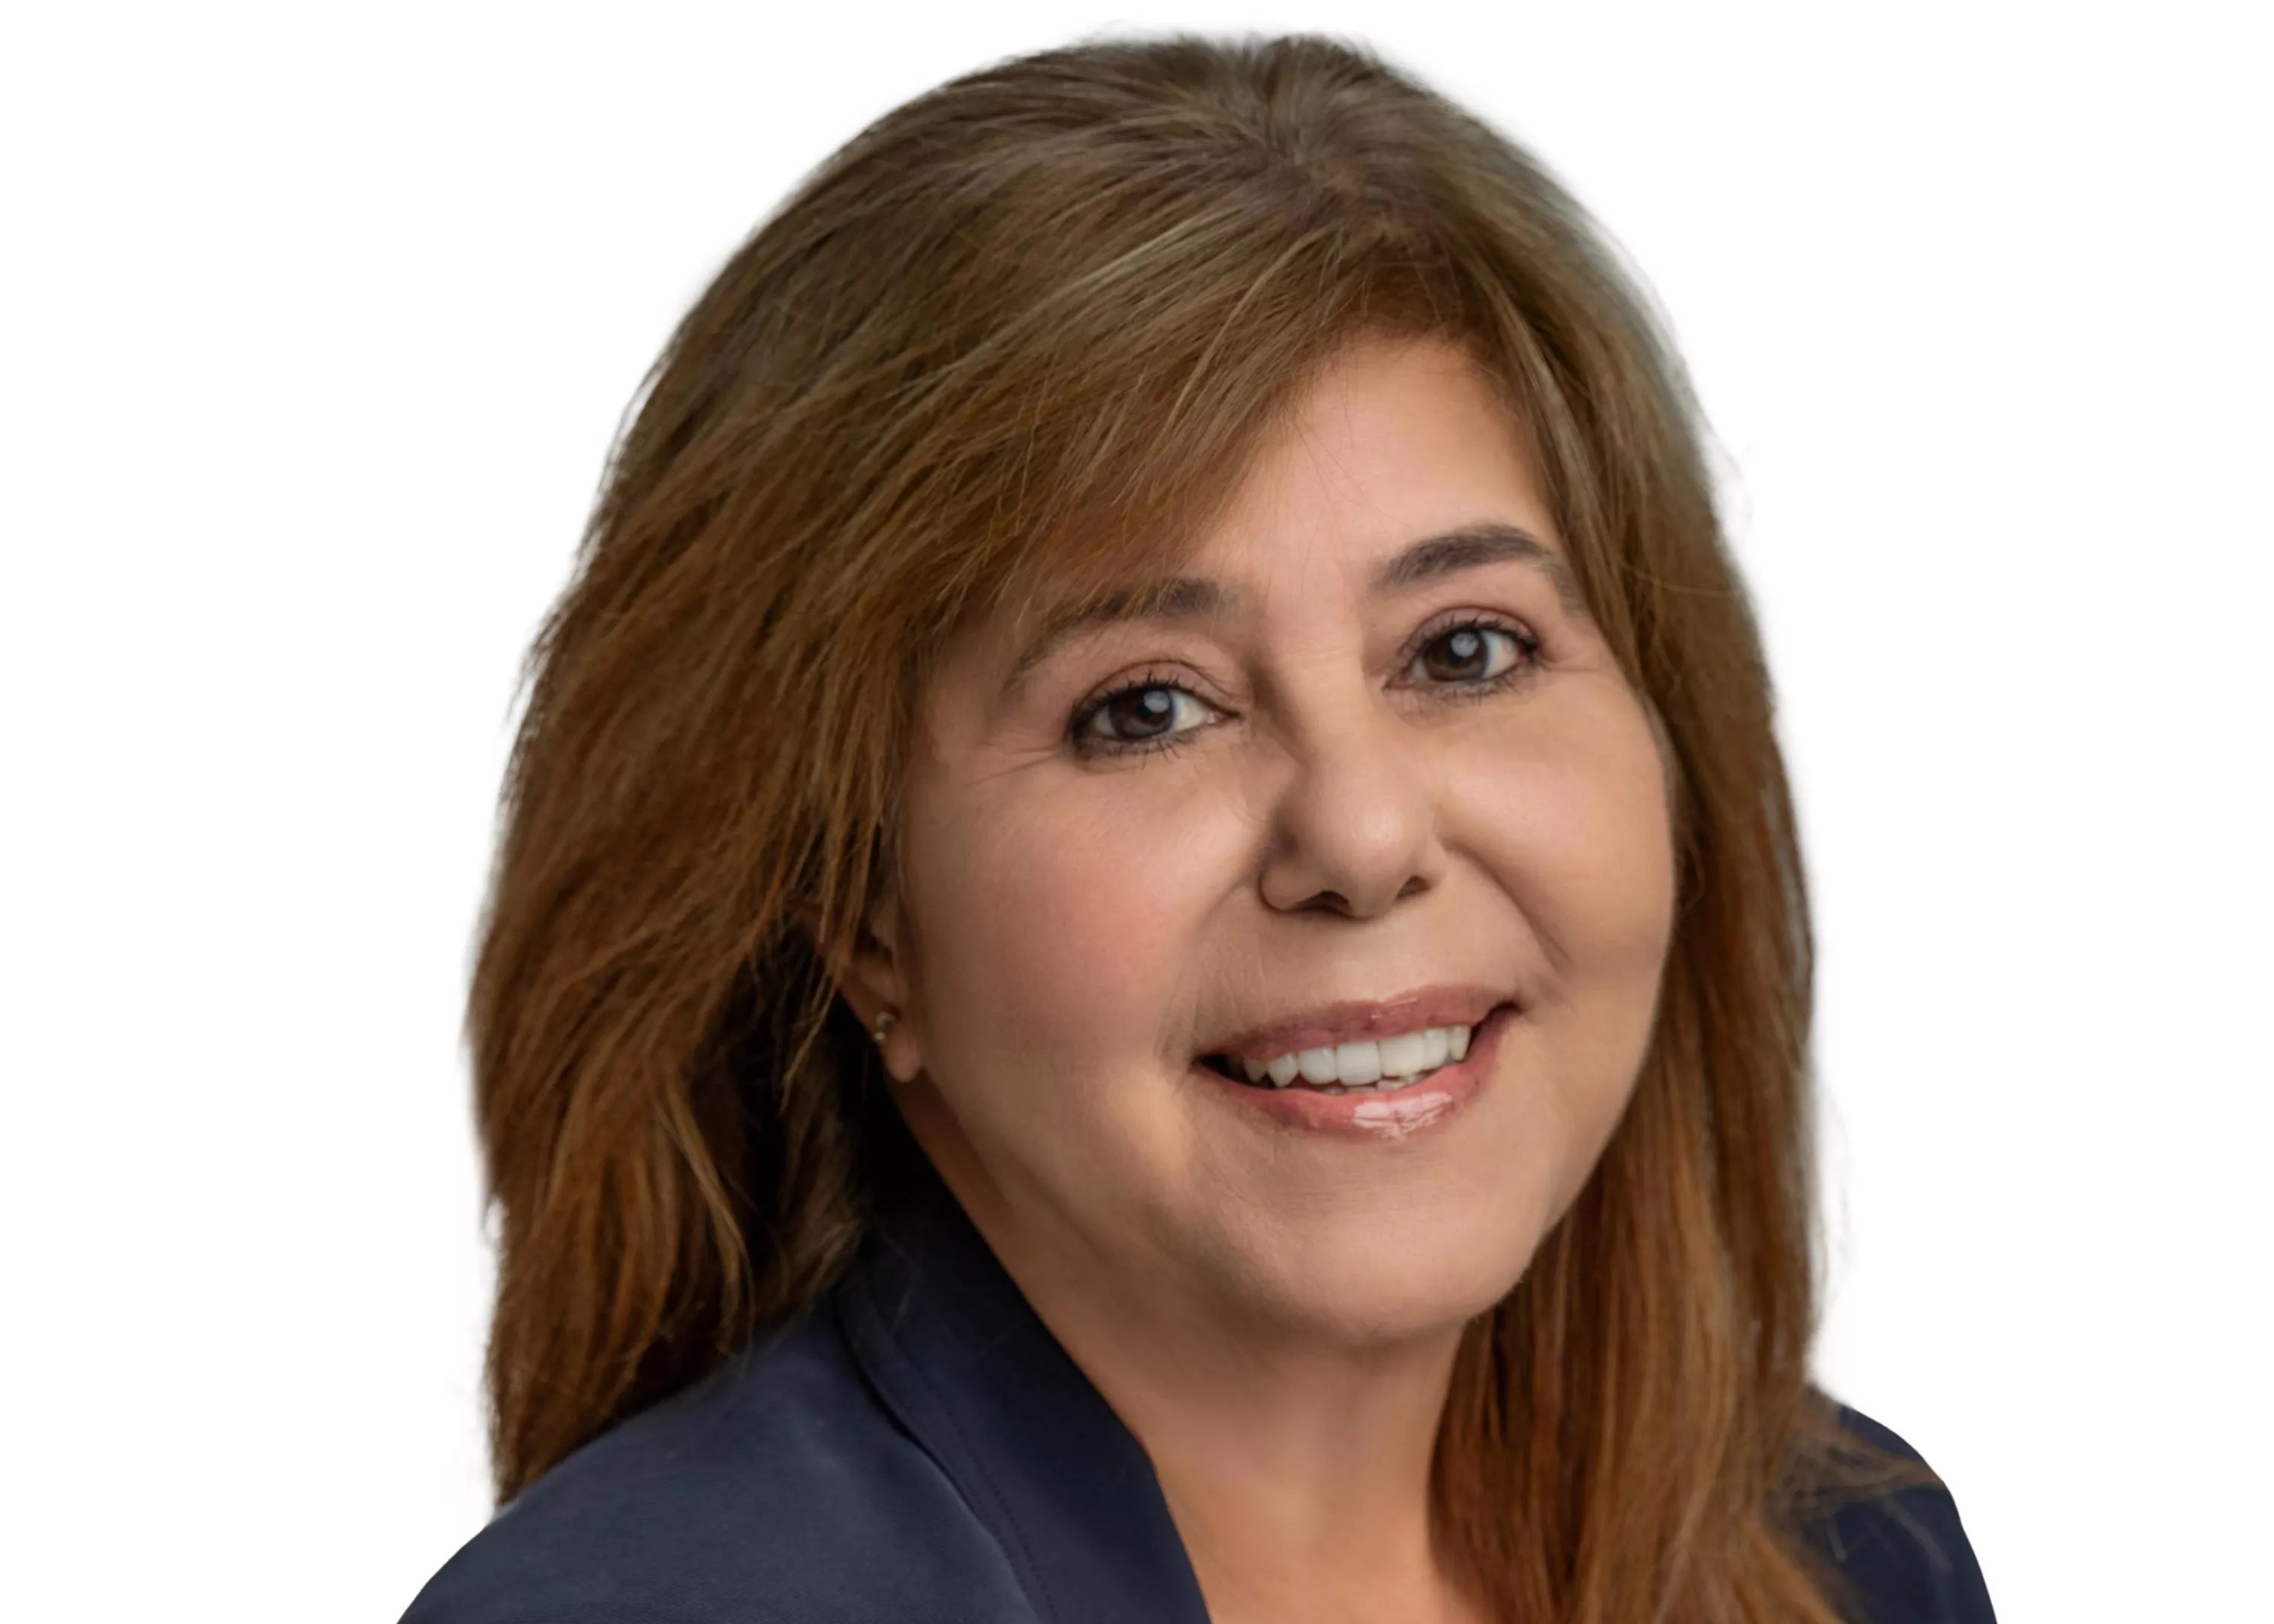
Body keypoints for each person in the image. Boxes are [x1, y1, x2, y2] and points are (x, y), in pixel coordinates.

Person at [401, 29, 1995, 1624]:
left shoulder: (1848, 1559)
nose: (1365, 840)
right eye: (1146, 707)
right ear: (861, 911)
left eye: (1465, 650)